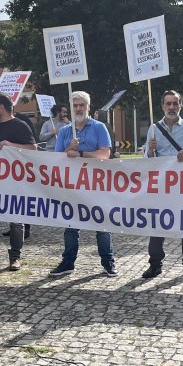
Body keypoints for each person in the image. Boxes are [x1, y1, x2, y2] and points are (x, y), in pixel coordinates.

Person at [48, 91, 117, 277]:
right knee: (71, 225)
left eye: (82, 105)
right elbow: (56, 160)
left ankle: (108, 261)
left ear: (88, 107)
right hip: (72, 186)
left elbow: (105, 154)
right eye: (75, 105)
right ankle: (68, 262)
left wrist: (81, 154)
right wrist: (68, 148)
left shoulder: (99, 128)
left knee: (102, 224)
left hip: (96, 184)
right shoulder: (64, 132)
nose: (78, 109)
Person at [141, 90, 183, 281]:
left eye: (175, 103)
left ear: (180, 106)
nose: (171, 107)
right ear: (162, 106)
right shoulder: (153, 129)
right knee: (157, 225)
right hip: (162, 187)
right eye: (168, 103)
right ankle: (155, 265)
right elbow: (147, 160)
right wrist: (150, 150)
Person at [0, 93, 37, 271]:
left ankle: (15, 257)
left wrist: (12, 146)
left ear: (1, 108)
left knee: (16, 222)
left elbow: (33, 149)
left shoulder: (20, 125)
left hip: (15, 183)